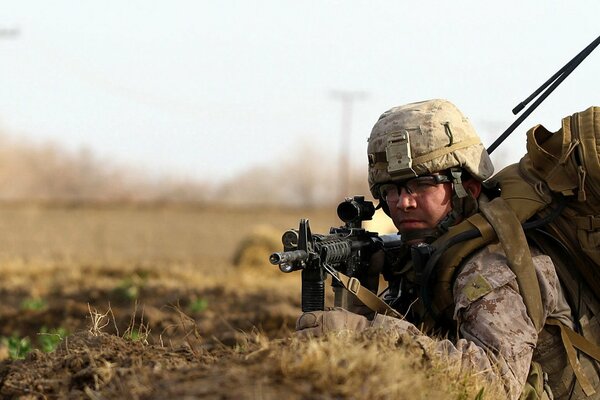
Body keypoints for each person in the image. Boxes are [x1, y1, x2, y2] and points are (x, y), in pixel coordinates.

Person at [295, 99, 600, 399]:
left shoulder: (492, 266)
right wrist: (362, 295)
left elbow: (492, 382)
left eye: (423, 184)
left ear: (468, 187)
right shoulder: (432, 256)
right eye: (391, 190)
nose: (404, 202)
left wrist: (364, 335)